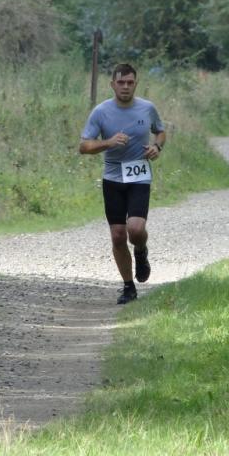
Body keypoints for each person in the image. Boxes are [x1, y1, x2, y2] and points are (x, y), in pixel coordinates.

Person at [79, 63, 166, 305]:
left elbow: (160, 132)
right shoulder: (101, 112)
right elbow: (84, 146)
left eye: (130, 82)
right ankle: (128, 287)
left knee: (135, 230)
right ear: (112, 84)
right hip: (113, 178)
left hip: (139, 176)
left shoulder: (147, 108)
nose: (125, 86)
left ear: (136, 84)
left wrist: (157, 147)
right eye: (121, 82)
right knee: (118, 236)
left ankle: (141, 250)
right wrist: (108, 143)